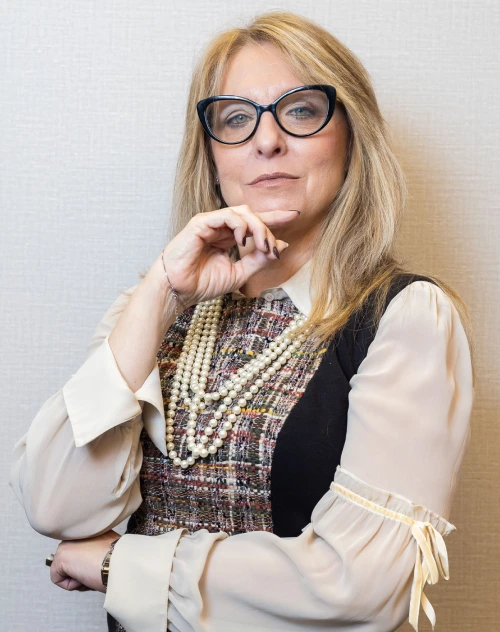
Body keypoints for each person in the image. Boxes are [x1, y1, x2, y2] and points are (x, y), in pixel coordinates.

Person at [9, 10, 476, 632]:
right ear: (210, 154)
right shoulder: (152, 308)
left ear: (352, 135)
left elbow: (363, 587)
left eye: (301, 111)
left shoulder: (404, 317)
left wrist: (121, 564)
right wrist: (160, 294)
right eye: (236, 118)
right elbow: (56, 507)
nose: (267, 141)